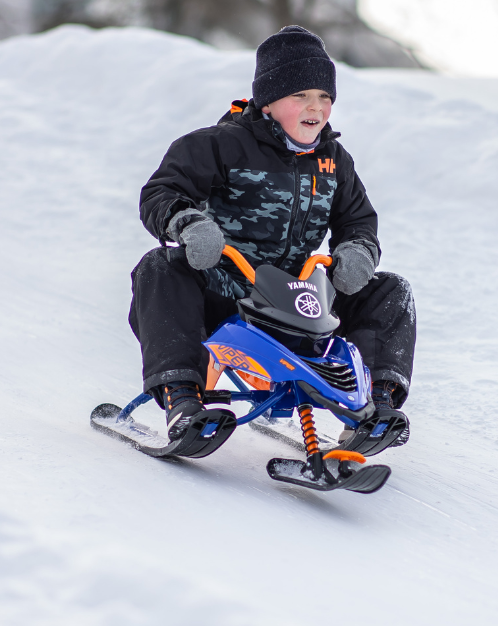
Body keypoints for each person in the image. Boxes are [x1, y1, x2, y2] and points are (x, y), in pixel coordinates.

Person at [130, 25, 416, 446]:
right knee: (159, 268)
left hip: (296, 299)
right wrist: (189, 224)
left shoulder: (334, 160)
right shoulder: (221, 145)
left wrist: (357, 251)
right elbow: (161, 192)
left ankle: (377, 409)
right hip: (225, 291)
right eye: (300, 96)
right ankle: (183, 400)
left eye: (324, 97)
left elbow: (358, 221)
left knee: (391, 290)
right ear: (268, 101)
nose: (314, 107)